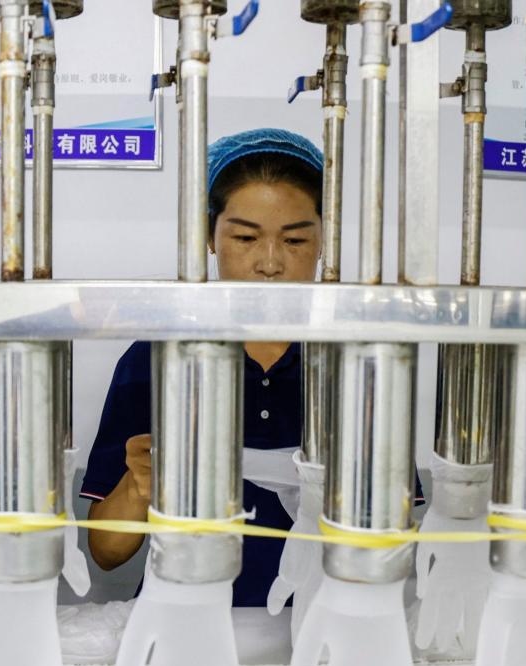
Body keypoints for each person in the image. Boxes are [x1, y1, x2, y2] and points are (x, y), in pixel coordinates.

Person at [81, 128, 424, 607]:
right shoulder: (156, 359)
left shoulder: (357, 365)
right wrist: (139, 487)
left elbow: (398, 536)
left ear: (326, 238)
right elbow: (107, 552)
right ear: (209, 237)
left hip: (320, 623)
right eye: (245, 237)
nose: (269, 262)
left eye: (295, 239)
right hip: (188, 618)